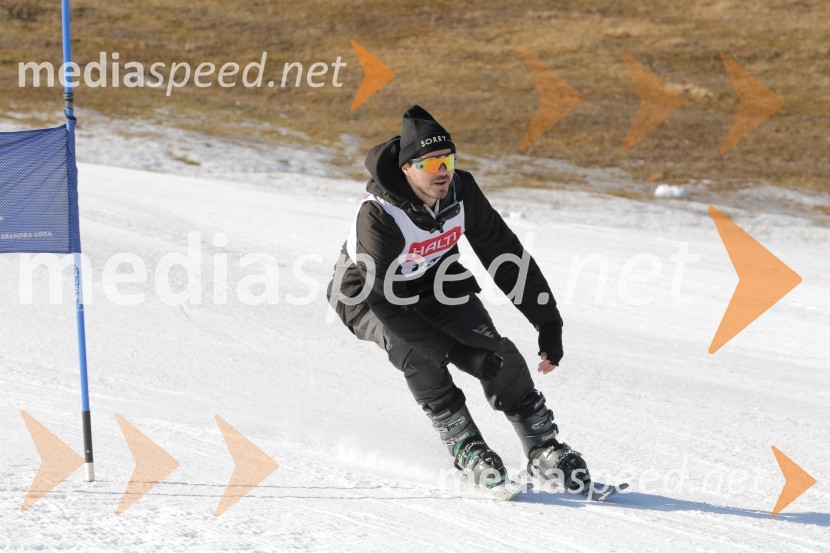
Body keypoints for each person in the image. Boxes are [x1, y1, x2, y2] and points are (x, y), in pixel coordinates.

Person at [327, 105, 589, 490]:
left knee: (494, 350)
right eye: (430, 164)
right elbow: (386, 302)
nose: (443, 172)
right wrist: (456, 354)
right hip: (367, 294)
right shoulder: (378, 215)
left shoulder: (461, 191)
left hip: (435, 279)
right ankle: (466, 445)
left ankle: (543, 448)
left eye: (447, 160)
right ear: (406, 169)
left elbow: (505, 254)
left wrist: (548, 321)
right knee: (417, 352)